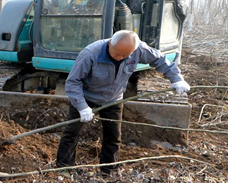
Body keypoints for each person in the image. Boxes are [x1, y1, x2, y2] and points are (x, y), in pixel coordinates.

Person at [57, 30, 190, 175]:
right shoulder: (90, 54)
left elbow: (160, 59)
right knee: (72, 132)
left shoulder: (138, 49)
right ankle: (64, 168)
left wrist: (176, 78)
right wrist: (82, 107)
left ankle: (109, 171)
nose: (120, 58)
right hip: (87, 96)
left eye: (125, 56)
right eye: (117, 54)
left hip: (113, 98)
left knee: (113, 136)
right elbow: (73, 82)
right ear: (109, 44)